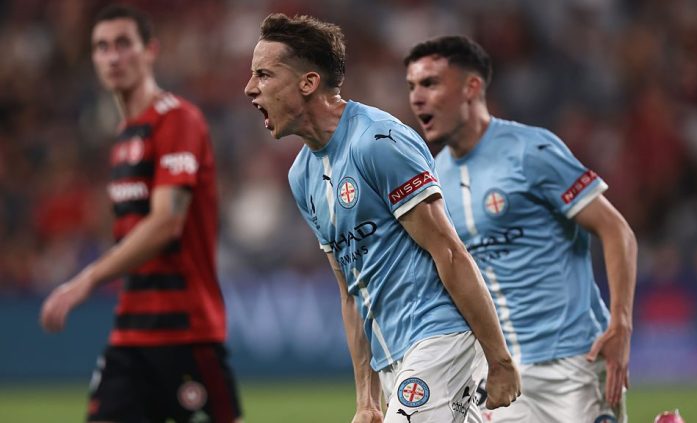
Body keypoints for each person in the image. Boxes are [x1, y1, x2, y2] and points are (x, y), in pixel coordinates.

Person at [244, 14, 521, 423]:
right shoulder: (302, 176)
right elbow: (350, 292)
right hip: (394, 357)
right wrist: (366, 400)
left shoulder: (377, 142)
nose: (250, 88)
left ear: (308, 82)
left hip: (438, 336)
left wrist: (500, 360)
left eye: (264, 74)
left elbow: (449, 251)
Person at [404, 35, 637, 423]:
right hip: (502, 371)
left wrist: (621, 323)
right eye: (411, 86)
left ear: (471, 87)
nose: (416, 98)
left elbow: (616, 230)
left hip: (574, 363)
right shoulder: (433, 179)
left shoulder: (530, 150)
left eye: (430, 83)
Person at [39, 5, 243, 423]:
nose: (113, 56)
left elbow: (167, 222)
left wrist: (86, 280)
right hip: (131, 332)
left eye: (123, 44)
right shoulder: (122, 137)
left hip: (186, 330)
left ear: (150, 50)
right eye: (102, 47)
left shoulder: (178, 120)